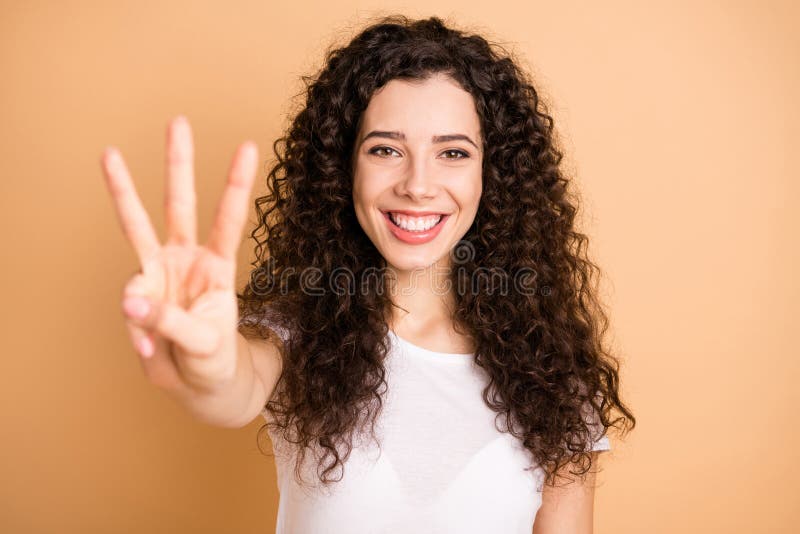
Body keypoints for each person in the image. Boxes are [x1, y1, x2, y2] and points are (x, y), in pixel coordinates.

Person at [101, 14, 635, 534]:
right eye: (385, 149)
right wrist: (209, 360)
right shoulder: (299, 334)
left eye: (452, 152)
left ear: (490, 176)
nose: (418, 184)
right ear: (344, 169)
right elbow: (232, 390)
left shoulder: (555, 377)